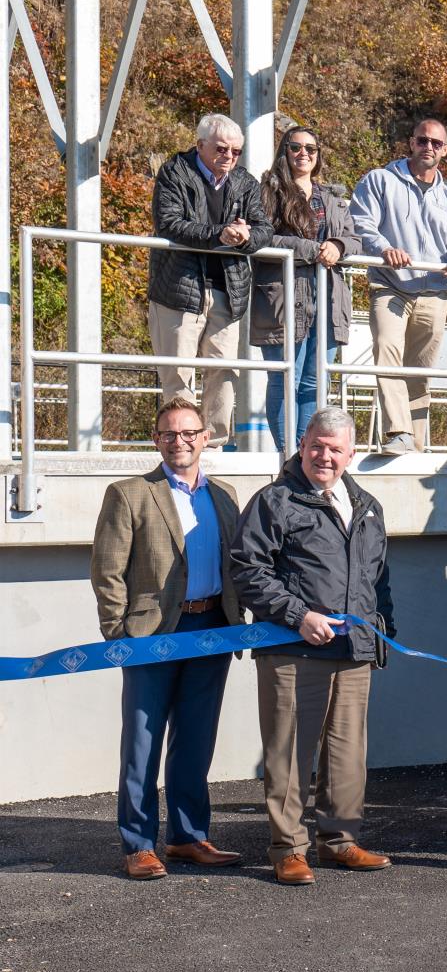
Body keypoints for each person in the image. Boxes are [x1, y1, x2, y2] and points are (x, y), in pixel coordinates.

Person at [229, 407, 395, 885]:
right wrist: (298, 617)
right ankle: (288, 848)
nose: (325, 455)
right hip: (293, 649)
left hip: (353, 651)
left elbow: (379, 579)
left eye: (336, 449)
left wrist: (383, 633)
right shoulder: (274, 501)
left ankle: (339, 841)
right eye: (317, 445)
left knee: (347, 755)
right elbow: (248, 570)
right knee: (289, 754)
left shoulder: (365, 504)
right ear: (302, 445)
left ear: (351, 454)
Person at [91, 396, 246, 880]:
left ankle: (187, 837)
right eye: (168, 434)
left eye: (188, 433)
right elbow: (107, 572)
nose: (179, 442)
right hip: (150, 635)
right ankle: (138, 844)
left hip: (211, 631)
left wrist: (239, 621)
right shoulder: (129, 493)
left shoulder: (225, 495)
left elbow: (235, 566)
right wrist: (118, 634)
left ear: (205, 438)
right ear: (156, 440)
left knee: (196, 740)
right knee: (142, 742)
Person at [350, 116, 447, 455]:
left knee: (420, 371)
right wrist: (383, 248)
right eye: (422, 141)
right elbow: (361, 224)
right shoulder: (379, 181)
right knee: (387, 352)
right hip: (389, 287)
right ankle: (397, 433)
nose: (428, 148)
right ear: (411, 143)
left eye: (436, 143)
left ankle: (416, 443)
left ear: (445, 151)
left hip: (434, 292)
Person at [149, 112, 273, 448]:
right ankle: (178, 443)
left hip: (227, 290)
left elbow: (264, 229)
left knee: (224, 371)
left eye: (236, 152)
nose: (229, 157)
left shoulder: (245, 182)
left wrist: (245, 238)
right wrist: (221, 234)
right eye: (221, 149)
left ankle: (214, 443)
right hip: (178, 288)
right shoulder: (175, 171)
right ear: (200, 144)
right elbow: (169, 224)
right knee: (178, 373)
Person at [254, 126, 358, 452]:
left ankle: (305, 453)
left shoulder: (331, 198)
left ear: (318, 155)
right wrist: (310, 249)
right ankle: (287, 454)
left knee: (315, 382)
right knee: (286, 378)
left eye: (310, 149)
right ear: (284, 151)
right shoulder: (268, 191)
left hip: (326, 298)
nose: (303, 154)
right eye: (296, 147)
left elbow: (354, 239)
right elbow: (261, 236)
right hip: (286, 296)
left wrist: (339, 246)